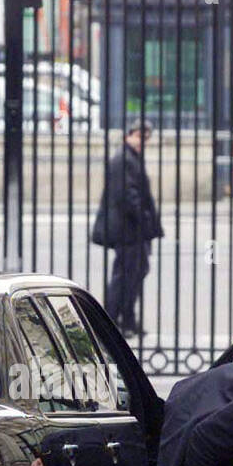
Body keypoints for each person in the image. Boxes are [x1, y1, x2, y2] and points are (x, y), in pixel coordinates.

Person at [92, 119, 162, 338]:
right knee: (124, 275)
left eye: (146, 138)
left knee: (134, 273)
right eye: (139, 136)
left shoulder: (130, 158)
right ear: (128, 135)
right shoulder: (123, 159)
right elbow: (128, 196)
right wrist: (145, 219)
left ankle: (128, 320)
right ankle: (112, 322)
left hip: (132, 229)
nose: (143, 141)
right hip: (128, 229)